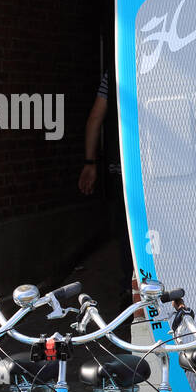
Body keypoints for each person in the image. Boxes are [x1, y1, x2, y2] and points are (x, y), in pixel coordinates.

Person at [79, 70, 134, 308]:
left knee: (125, 231)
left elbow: (95, 119)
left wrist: (90, 163)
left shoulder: (112, 73)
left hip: (119, 167)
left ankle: (129, 288)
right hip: (150, 167)